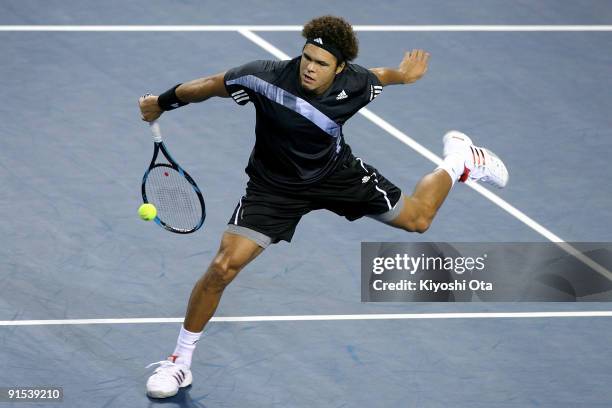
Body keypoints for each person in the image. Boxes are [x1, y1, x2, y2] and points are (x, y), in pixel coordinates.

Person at [139, 15, 508, 398]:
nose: (310, 68)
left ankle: (458, 160)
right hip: (274, 188)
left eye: (321, 63)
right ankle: (179, 363)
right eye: (307, 58)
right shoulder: (262, 76)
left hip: (336, 176)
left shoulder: (357, 84)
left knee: (419, 220)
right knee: (221, 268)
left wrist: (403, 74)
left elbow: (381, 76)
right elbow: (208, 86)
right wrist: (161, 103)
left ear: (341, 68)